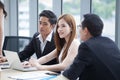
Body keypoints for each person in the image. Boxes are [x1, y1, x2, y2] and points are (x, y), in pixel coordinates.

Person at [52, 14, 120, 80]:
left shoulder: (86, 47)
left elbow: (71, 74)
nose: (78, 29)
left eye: (80, 26)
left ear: (85, 30)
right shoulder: (110, 42)